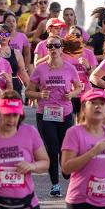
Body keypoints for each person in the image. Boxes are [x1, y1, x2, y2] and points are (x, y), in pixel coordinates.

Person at [25, 35, 82, 198]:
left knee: (65, 148)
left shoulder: (69, 68)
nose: (53, 49)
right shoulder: (40, 69)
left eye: (57, 46)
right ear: (46, 49)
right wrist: (39, 94)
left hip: (64, 113)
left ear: (61, 48)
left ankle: (66, 172)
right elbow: (28, 91)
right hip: (45, 113)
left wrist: (72, 94)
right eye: (50, 46)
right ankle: (55, 185)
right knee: (51, 149)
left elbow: (79, 87)